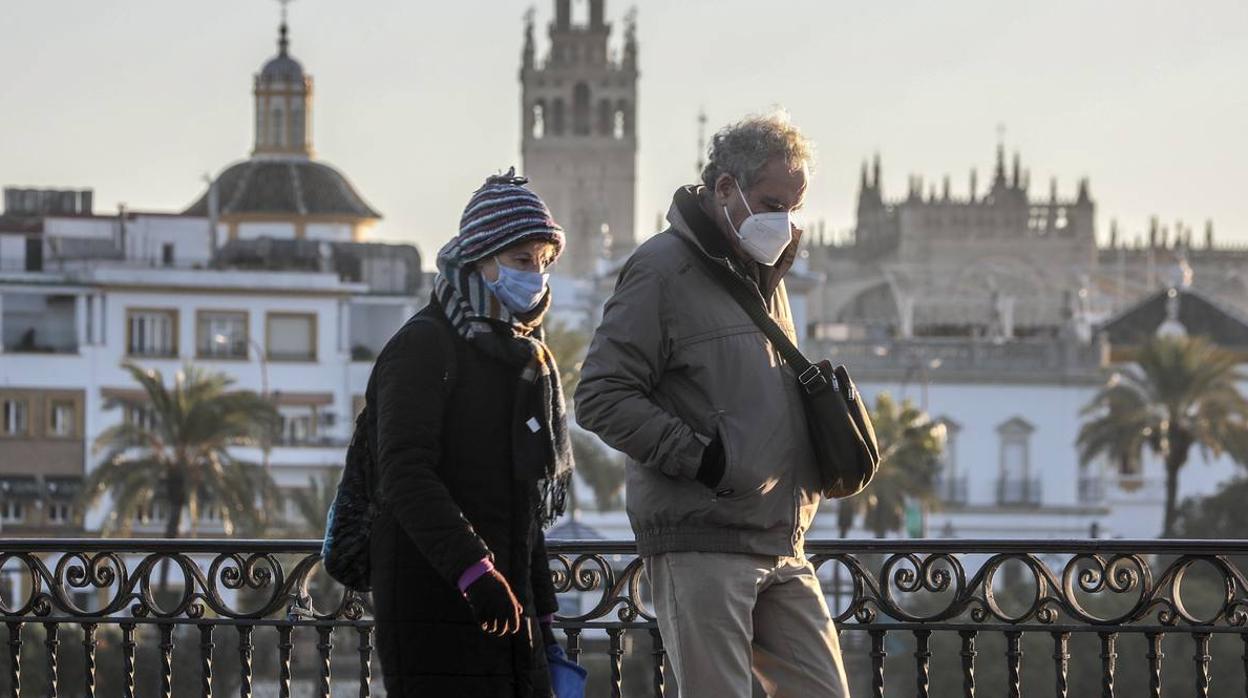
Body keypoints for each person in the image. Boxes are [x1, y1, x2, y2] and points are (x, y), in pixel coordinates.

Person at [574, 112, 850, 697]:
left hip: (782, 539)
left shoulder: (764, 275)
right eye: (774, 203)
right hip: (704, 541)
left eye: (795, 208)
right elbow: (600, 395)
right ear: (725, 188)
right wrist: (704, 460)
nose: (785, 221)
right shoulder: (660, 269)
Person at [368, 169, 574, 696]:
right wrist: (472, 571)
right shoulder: (424, 346)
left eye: (544, 262)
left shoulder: (524, 356)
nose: (536, 276)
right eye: (521, 261)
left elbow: (523, 501)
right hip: (435, 600)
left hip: (509, 608)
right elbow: (404, 473)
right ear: (480, 261)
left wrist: (543, 615)